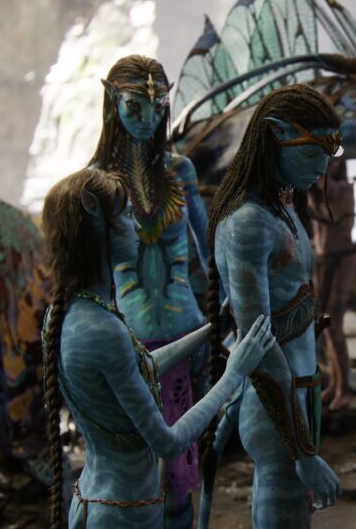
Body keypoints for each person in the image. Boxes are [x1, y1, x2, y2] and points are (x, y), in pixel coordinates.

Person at [40, 169, 273, 528]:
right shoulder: (103, 330)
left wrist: (212, 331)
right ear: (98, 226)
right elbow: (168, 442)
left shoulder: (67, 314)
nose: (137, 227)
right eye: (126, 215)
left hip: (93, 502)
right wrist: (234, 373)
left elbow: (139, 367)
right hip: (124, 514)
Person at [202, 83, 342, 527]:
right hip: (275, 405)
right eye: (312, 152)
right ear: (276, 134)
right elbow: (258, 347)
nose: (322, 166)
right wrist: (304, 454)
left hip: (299, 392)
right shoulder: (249, 223)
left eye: (328, 152)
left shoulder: (282, 207)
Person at [88, 55, 212, 528]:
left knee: (180, 474)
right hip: (128, 344)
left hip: (188, 332)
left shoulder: (180, 169)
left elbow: (211, 250)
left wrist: (226, 312)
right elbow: (85, 274)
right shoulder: (94, 182)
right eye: (135, 106)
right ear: (112, 101)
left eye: (158, 107)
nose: (148, 118)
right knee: (136, 472)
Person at [307, 158, 356, 411]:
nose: (327, 164)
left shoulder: (343, 189)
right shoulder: (314, 192)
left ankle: (345, 389)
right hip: (322, 263)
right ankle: (336, 383)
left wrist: (318, 172)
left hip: (342, 261)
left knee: (334, 325)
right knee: (326, 326)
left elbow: (327, 189)